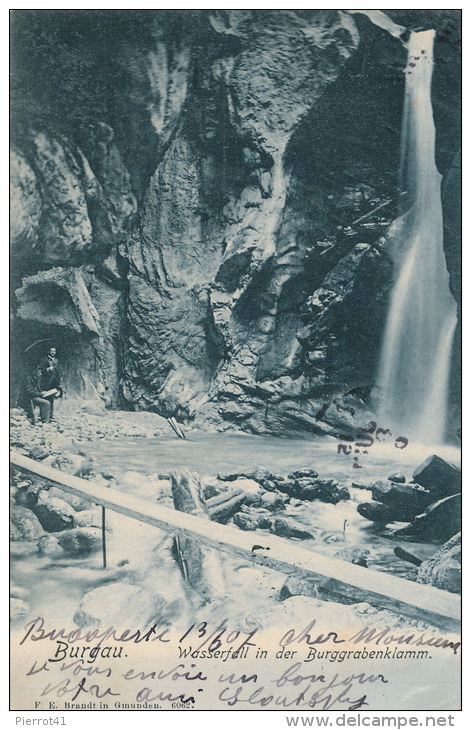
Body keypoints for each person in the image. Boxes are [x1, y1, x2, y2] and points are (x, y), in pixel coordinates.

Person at [25, 346, 63, 424]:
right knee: (46, 400)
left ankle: (50, 416)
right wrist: (47, 369)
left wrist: (58, 383)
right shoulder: (44, 360)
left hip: (51, 383)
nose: (53, 353)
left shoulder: (56, 360)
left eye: (54, 351)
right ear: (48, 351)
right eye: (51, 351)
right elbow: (40, 370)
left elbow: (58, 373)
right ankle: (45, 418)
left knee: (51, 398)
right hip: (45, 383)